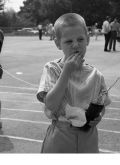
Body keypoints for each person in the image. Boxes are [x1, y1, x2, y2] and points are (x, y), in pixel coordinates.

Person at [36, 13, 112, 154]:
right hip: (61, 134)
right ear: (58, 44)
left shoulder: (96, 75)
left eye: (80, 39)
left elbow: (101, 105)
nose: (76, 45)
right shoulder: (52, 68)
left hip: (88, 135)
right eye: (68, 41)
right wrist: (66, 72)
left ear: (88, 39)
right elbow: (51, 104)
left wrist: (99, 116)